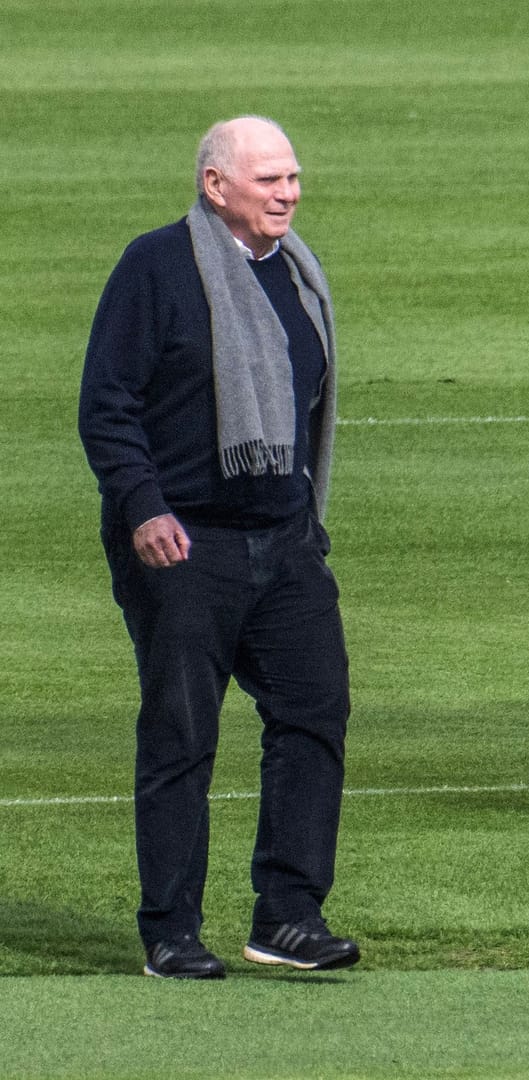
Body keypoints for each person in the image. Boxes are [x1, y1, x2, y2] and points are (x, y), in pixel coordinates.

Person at [80, 116, 360, 979]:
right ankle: (170, 930)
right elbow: (108, 405)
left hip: (284, 542)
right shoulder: (156, 268)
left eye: (293, 177)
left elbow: (308, 410)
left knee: (314, 712)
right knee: (181, 734)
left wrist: (305, 523)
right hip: (182, 545)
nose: (289, 192)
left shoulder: (298, 275)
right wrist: (142, 509)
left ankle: (288, 915)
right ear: (216, 186)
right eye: (270, 179)